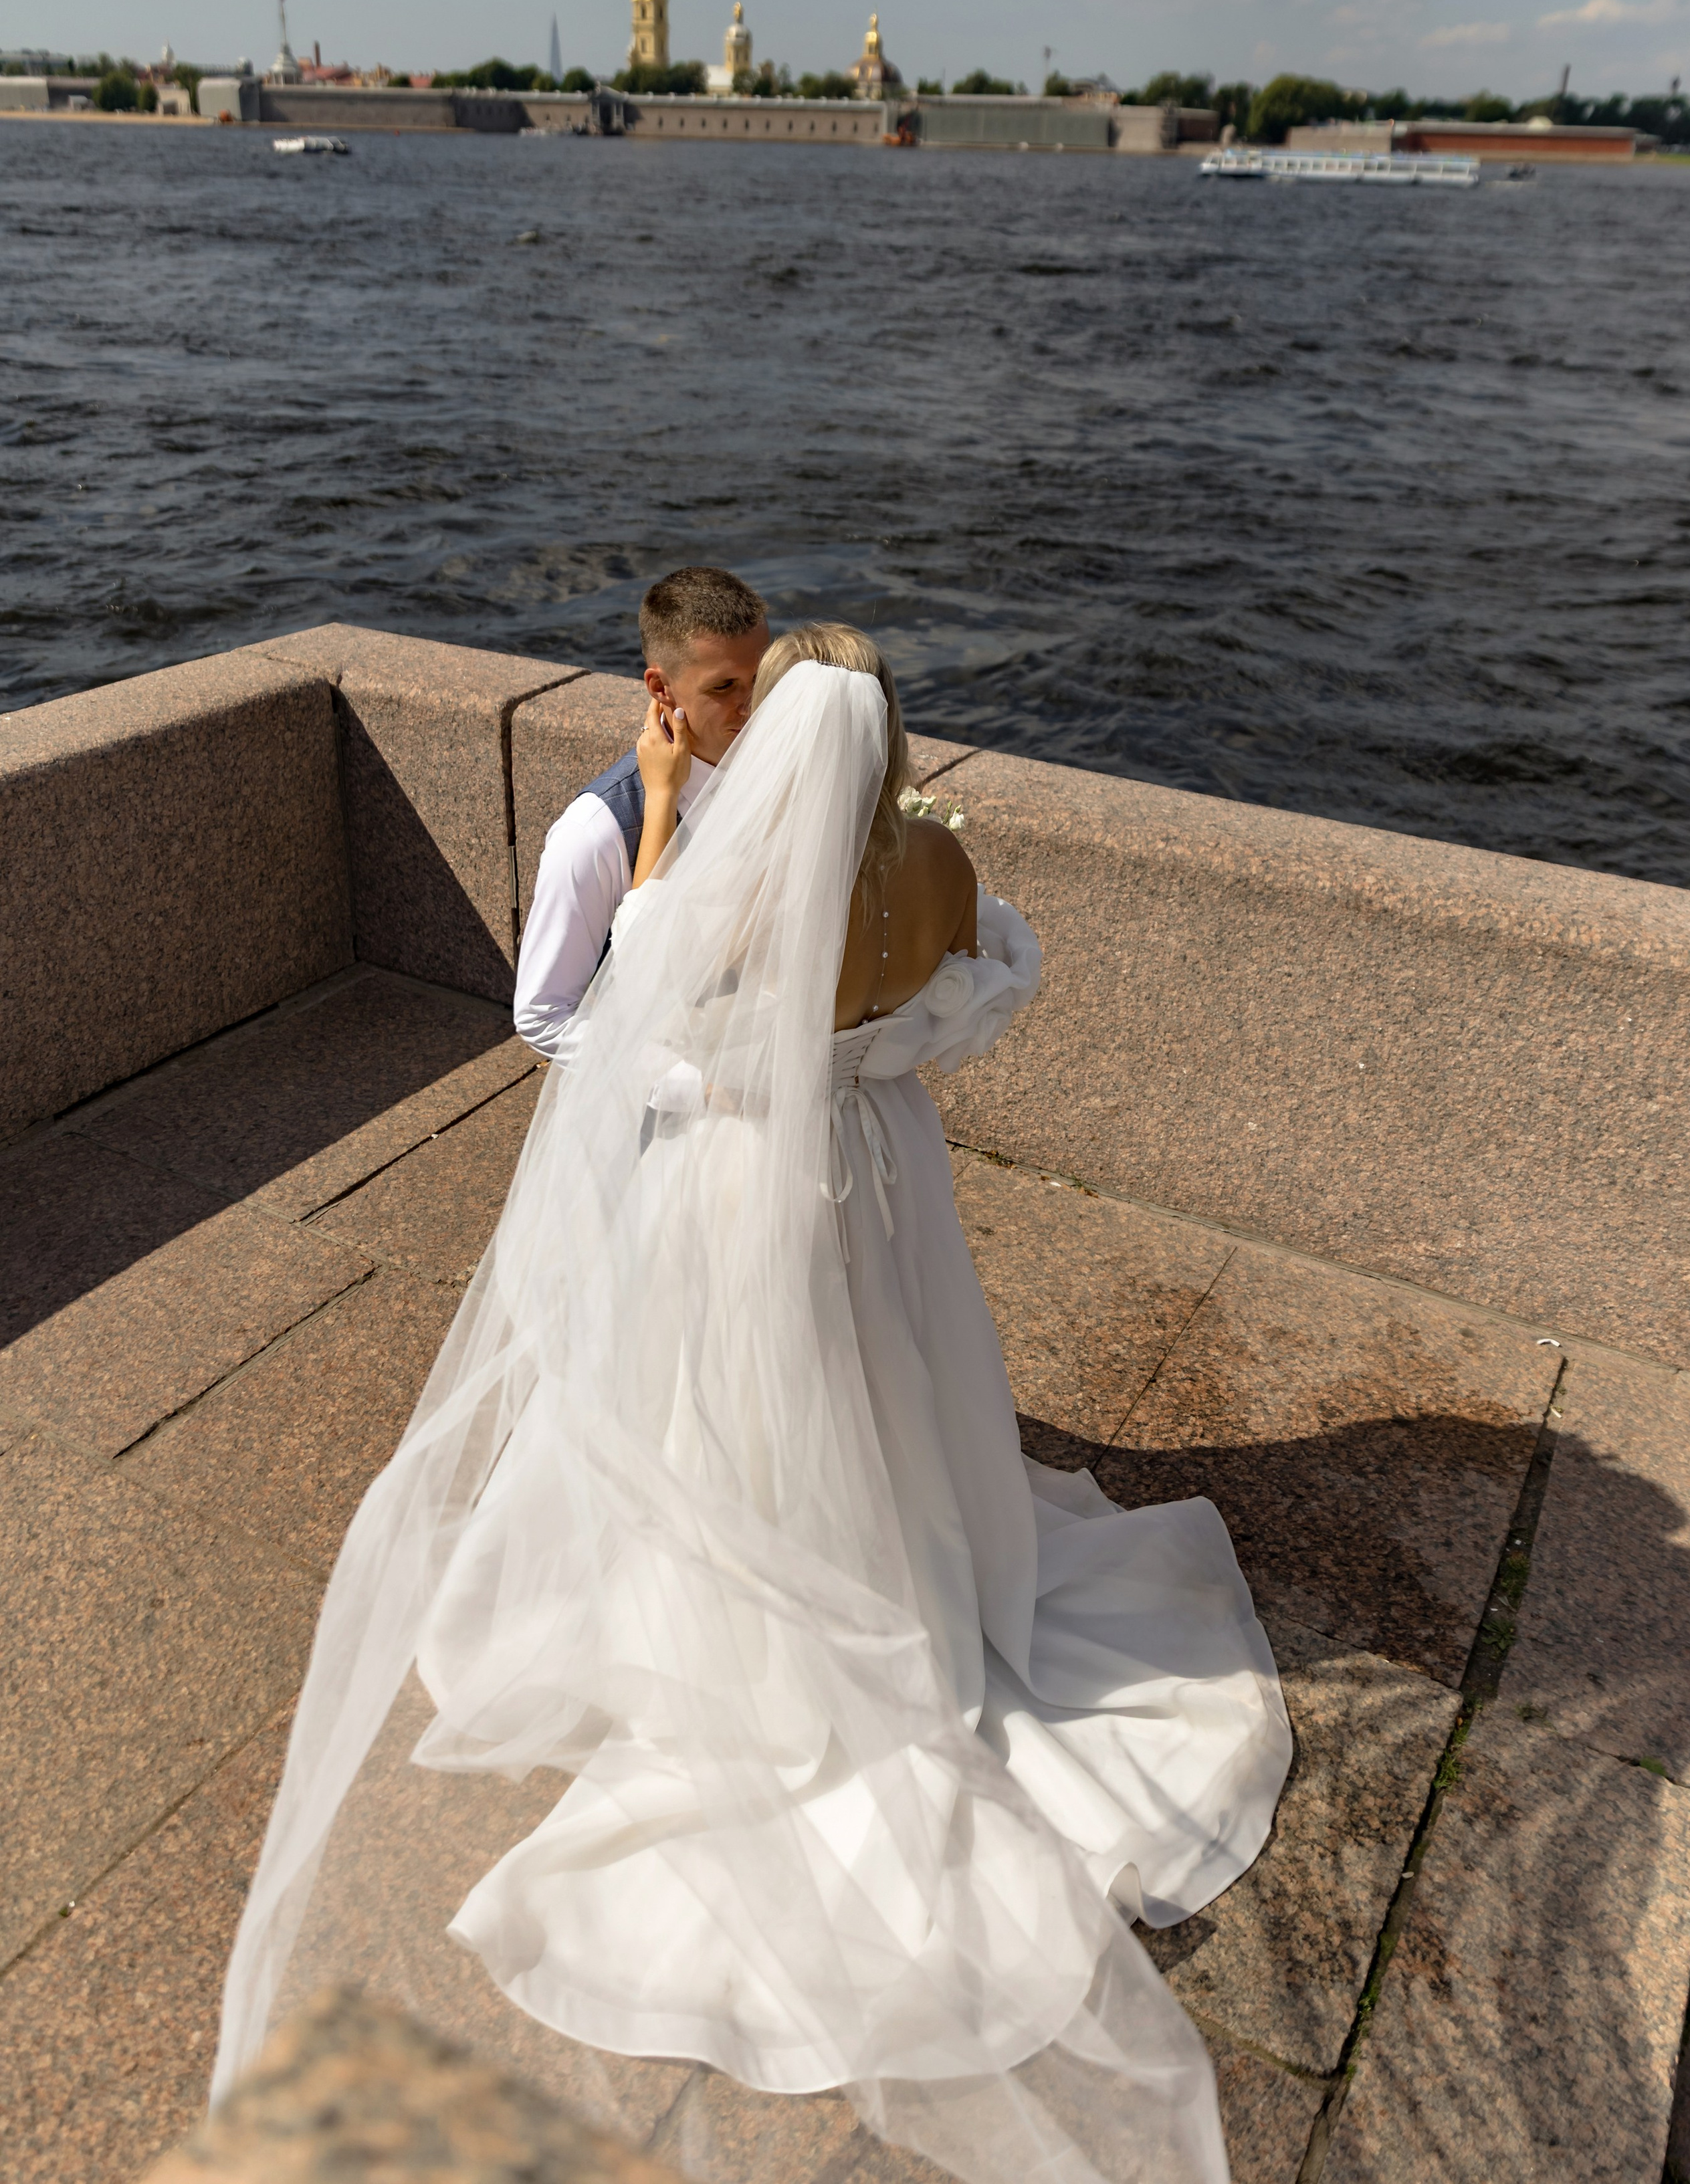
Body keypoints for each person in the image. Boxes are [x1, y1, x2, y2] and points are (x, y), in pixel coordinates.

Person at [215, 625, 1290, 2184]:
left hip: (748, 1178)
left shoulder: (734, 882)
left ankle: (757, 1643)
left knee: (738, 1412)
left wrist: (659, 808)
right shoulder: (935, 867)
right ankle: (917, 1598)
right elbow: (989, 976)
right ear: (890, 736)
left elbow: (632, 995)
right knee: (892, 1381)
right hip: (885, 1168)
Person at [513, 564, 768, 1057]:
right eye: (724, 687)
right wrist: (683, 1075)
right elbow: (543, 1016)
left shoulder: (783, 768)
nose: (752, 704)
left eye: (762, 679)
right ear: (660, 688)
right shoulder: (594, 833)